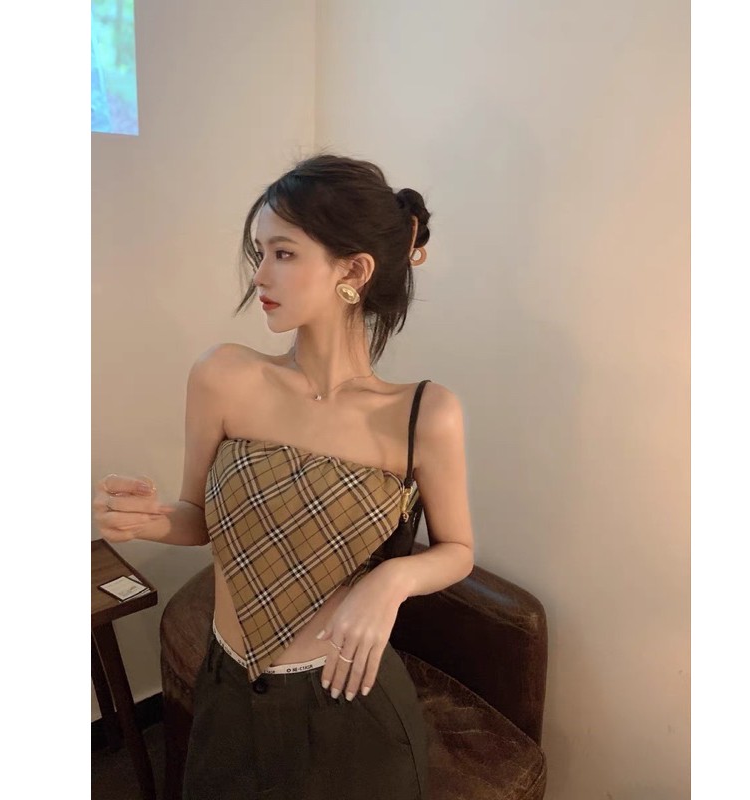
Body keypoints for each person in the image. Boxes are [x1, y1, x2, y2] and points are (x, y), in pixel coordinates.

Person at [93, 153, 475, 799]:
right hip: (228, 688)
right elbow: (199, 517)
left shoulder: (424, 414)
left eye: (284, 253)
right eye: (259, 252)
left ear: (353, 270)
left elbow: (457, 549)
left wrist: (392, 579)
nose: (260, 273)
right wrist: (146, 519)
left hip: (351, 703)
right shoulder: (225, 376)